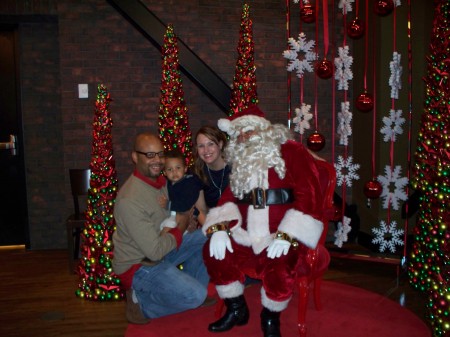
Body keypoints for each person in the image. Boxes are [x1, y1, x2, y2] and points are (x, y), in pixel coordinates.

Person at [201, 105, 324, 337]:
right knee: (214, 251)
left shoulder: (291, 151)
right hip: (247, 234)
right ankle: (237, 308)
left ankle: (270, 317)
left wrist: (289, 233)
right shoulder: (242, 159)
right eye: (239, 134)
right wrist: (218, 227)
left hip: (281, 233)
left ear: (264, 128)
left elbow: (310, 194)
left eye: (249, 130)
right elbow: (229, 196)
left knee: (281, 265)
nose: (245, 136)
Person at [112, 132, 209, 325]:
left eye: (160, 154)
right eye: (149, 155)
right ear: (134, 157)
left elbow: (172, 216)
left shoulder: (161, 183)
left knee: (207, 236)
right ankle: (142, 305)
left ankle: (185, 289)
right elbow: (155, 252)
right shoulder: (130, 199)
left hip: (161, 248)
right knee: (195, 296)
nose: (157, 160)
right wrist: (181, 225)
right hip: (140, 265)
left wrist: (185, 222)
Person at [160, 149, 208, 231]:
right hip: (176, 214)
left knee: (198, 212)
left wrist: (169, 205)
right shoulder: (167, 183)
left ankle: (209, 229)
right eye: (170, 169)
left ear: (185, 169)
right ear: (164, 172)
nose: (174, 172)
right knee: (166, 226)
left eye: (178, 168)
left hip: (190, 211)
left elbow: (187, 204)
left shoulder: (189, 182)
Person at [192, 125, 231, 209]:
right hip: (210, 219)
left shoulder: (235, 168)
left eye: (210, 144)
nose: (206, 150)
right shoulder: (197, 172)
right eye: (201, 146)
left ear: (220, 145)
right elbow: (201, 210)